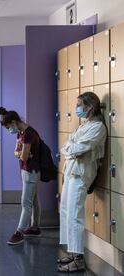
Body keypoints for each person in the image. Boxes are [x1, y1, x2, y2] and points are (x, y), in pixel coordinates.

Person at [57, 92, 106, 273]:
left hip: (81, 174)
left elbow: (80, 148)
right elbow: (68, 146)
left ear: (90, 107)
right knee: (66, 211)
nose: (77, 108)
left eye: (79, 105)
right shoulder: (84, 126)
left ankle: (78, 259)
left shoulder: (98, 127)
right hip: (71, 172)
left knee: (75, 215)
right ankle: (72, 250)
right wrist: (71, 149)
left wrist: (71, 149)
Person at [0, 107, 42, 246]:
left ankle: (19, 232)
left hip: (31, 171)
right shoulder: (20, 133)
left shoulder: (28, 134)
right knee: (33, 200)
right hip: (25, 169)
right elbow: (19, 153)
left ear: (14, 122)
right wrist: (22, 154)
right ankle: (35, 227)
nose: (9, 129)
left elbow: (22, 155)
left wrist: (22, 154)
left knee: (25, 202)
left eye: (9, 126)